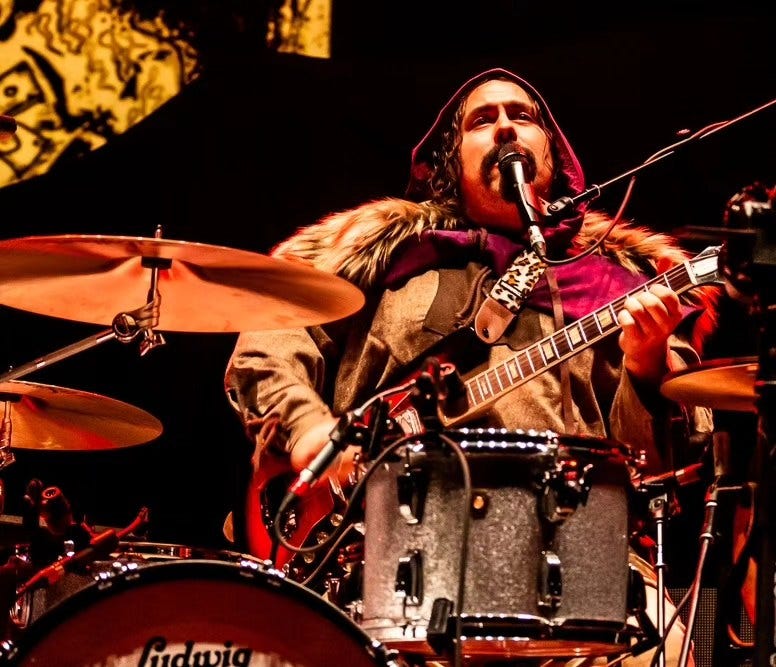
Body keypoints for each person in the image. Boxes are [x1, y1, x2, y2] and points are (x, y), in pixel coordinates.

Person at [225, 68, 719, 666]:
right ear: (449, 162)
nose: (506, 128)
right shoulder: (387, 253)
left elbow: (667, 465)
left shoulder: (621, 286)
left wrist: (644, 367)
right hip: (387, 548)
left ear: (555, 156)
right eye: (482, 121)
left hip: (580, 557)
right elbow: (269, 337)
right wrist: (307, 430)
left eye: (523, 116)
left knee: (664, 651)